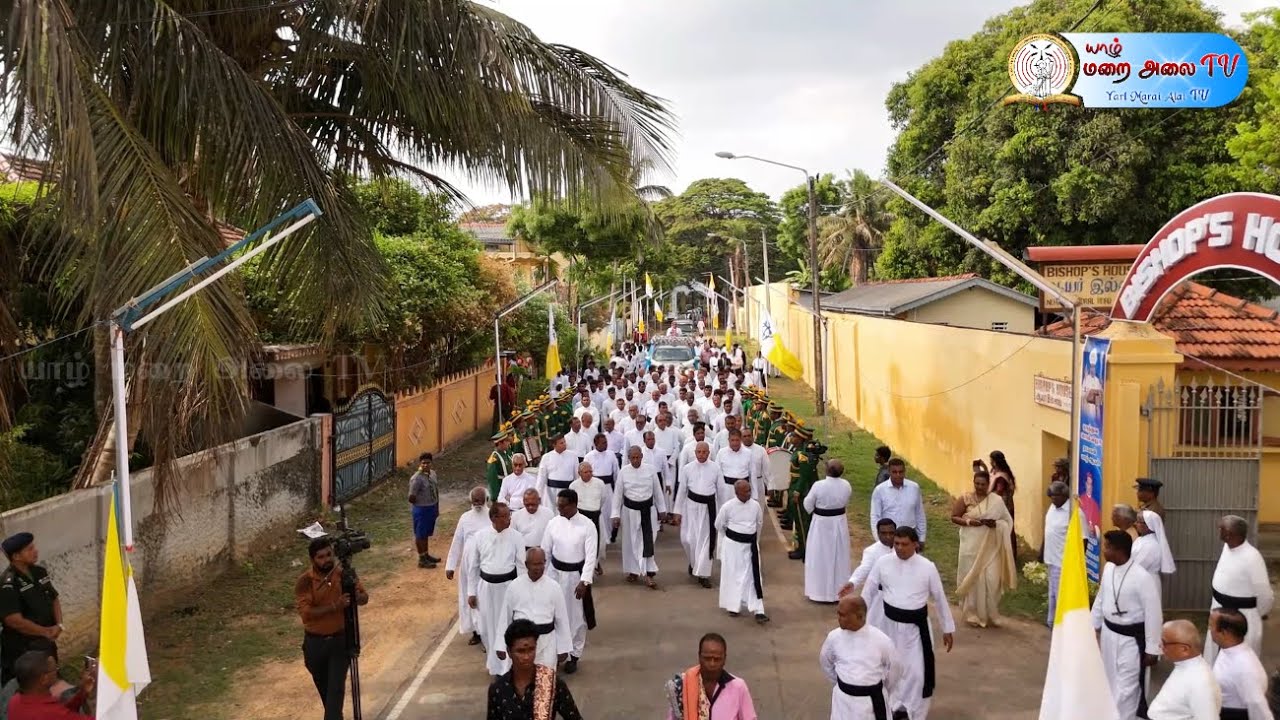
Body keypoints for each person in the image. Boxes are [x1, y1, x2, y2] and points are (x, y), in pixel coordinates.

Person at [861, 527, 953, 720]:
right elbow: (868, 590)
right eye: (896, 544)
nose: (900, 548)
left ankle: (914, 713)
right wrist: (861, 619)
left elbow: (939, 598)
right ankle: (893, 707)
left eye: (904, 544)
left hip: (915, 630)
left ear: (915, 545)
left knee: (917, 674)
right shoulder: (883, 563)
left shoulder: (927, 567)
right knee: (888, 670)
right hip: (888, 626)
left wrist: (947, 628)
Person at [1091, 530, 1163, 720]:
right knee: (1109, 679)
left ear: (1119, 550)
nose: (1103, 551)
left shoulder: (1142, 577)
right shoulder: (1108, 570)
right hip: (1109, 634)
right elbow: (1101, 599)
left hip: (1131, 640)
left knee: (1127, 686)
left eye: (1107, 547)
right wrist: (1093, 625)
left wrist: (1152, 648)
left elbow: (1153, 614)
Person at [294, 536, 369, 720]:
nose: (327, 559)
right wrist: (336, 606)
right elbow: (306, 613)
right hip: (315, 646)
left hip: (339, 643)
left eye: (329, 555)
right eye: (321, 557)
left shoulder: (343, 574)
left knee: (335, 692)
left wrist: (357, 597)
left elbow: (364, 597)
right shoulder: (305, 581)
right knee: (328, 697)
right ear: (313, 560)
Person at [541, 489, 598, 675]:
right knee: (553, 616)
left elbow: (590, 557)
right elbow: (546, 551)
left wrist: (585, 581)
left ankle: (574, 655)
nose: (559, 509)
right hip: (555, 574)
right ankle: (554, 654)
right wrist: (542, 577)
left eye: (563, 506)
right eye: (558, 505)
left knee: (576, 618)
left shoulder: (587, 526)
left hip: (575, 577)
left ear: (574, 504)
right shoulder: (553, 524)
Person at [950, 470, 1016, 628]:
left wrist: (997, 525)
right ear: (973, 482)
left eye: (983, 484)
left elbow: (1007, 521)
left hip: (991, 547)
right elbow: (954, 517)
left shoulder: (996, 501)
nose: (979, 487)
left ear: (988, 485)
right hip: (971, 546)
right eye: (977, 483)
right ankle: (972, 614)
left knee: (992, 580)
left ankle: (990, 614)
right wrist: (970, 523)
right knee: (972, 578)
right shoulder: (965, 498)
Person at [1205, 515, 1273, 665]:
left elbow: (1265, 596)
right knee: (1215, 659)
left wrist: (1252, 613)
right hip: (1218, 609)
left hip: (1242, 616)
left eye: (1221, 528)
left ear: (1230, 534)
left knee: (1239, 663)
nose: (1218, 531)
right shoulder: (1227, 548)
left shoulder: (1252, 557)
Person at [468, 503, 528, 676]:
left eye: (509, 515)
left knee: (507, 626)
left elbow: (521, 566)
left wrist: (522, 590)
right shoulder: (480, 537)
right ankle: (494, 665)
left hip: (507, 588)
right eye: (505, 516)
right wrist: (471, 592)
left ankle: (508, 667)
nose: (509, 519)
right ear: (493, 518)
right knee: (487, 627)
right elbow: (474, 566)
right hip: (486, 588)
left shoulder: (516, 537)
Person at [486, 619, 584, 720]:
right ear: (509, 652)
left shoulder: (551, 683)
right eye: (520, 651)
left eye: (531, 649)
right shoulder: (498, 689)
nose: (526, 657)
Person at [819, 595, 897, 720]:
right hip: (843, 701)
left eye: (843, 615)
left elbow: (895, 670)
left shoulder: (881, 641)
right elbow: (825, 662)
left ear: (860, 616)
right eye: (838, 614)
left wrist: (879, 688)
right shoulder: (834, 638)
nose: (838, 618)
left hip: (871, 703)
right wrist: (842, 683)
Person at [495, 549, 572, 672]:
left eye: (541, 564)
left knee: (545, 683)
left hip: (547, 643)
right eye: (534, 564)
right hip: (521, 644)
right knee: (522, 683)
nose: (538, 568)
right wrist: (500, 645)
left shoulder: (554, 587)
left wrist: (564, 647)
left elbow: (562, 619)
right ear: (526, 565)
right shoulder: (514, 586)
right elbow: (505, 617)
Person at [0, 534, 61, 686]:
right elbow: (14, 621)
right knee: (29, 688)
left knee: (51, 682)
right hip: (23, 650)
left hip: (45, 643)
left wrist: (59, 625)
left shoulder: (39, 572)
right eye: (29, 549)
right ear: (16, 556)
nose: (35, 551)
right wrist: (45, 631)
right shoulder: (8, 583)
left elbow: (54, 598)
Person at [664, 633, 758, 720]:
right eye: (707, 658)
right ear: (699, 657)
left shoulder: (738, 687)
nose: (712, 664)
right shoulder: (684, 685)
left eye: (717, 659)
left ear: (724, 659)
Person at [611, 446, 668, 588]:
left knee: (648, 541)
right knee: (630, 542)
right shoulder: (623, 472)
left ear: (642, 456)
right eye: (633, 458)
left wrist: (662, 509)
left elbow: (657, 490)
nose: (636, 460)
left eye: (638, 457)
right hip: (629, 511)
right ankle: (633, 571)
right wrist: (615, 515)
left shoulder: (650, 470)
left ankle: (649, 573)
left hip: (648, 510)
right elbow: (618, 494)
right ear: (629, 458)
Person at [1147, 619, 1222, 720]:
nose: (1160, 646)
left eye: (1164, 642)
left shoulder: (1199, 681)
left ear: (1184, 649)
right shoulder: (1187, 666)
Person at [673, 441, 724, 589]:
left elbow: (721, 491)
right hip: (691, 508)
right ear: (695, 453)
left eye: (704, 452)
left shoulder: (715, 468)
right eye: (699, 452)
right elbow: (682, 490)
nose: (702, 455)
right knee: (688, 540)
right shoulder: (687, 469)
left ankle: (704, 574)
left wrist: (722, 512)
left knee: (705, 542)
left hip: (709, 509)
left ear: (709, 453)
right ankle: (693, 562)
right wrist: (677, 512)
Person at [716, 480, 768, 623]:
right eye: (745, 491)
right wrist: (733, 537)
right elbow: (719, 525)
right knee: (733, 576)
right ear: (737, 492)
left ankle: (759, 610)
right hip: (733, 547)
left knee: (754, 576)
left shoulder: (756, 506)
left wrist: (753, 540)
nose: (749, 493)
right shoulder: (728, 507)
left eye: (749, 490)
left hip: (750, 545)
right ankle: (734, 605)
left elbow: (759, 523)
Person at [804, 459, 853, 603]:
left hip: (821, 525)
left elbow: (808, 503)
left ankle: (819, 592)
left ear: (827, 470)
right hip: (839, 523)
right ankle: (837, 591)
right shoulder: (846, 485)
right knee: (839, 556)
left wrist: (813, 510)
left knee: (819, 556)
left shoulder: (818, 486)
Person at [446, 487, 491, 646]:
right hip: (467, 564)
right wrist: (450, 565)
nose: (477, 504)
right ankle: (475, 631)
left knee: (485, 598)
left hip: (487, 563)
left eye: (480, 500)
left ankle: (486, 631)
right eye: (475, 501)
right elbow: (457, 541)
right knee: (469, 597)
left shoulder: (492, 516)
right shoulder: (465, 518)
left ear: (486, 500)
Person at [1210, 608, 1272, 720]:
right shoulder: (1229, 648)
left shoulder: (1245, 668)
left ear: (1224, 633)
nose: (1210, 630)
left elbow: (1258, 707)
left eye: (1211, 626)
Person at [6, 650, 93, 720]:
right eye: (55, 669)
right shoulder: (48, 713)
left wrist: (82, 693)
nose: (57, 672)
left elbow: (63, 712)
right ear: (44, 679)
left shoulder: (14, 701)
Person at [868, 459, 927, 552]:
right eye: (894, 472)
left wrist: (922, 538)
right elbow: (875, 516)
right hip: (889, 538)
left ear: (905, 471)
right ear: (889, 472)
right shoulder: (880, 490)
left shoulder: (914, 488)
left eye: (901, 472)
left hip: (910, 536)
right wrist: (879, 540)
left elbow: (919, 514)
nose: (898, 475)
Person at [569, 460, 612, 574]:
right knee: (580, 544)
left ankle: (595, 564)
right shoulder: (573, 486)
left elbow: (603, 499)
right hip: (580, 517)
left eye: (590, 471)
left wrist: (595, 510)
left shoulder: (599, 483)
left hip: (595, 516)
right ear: (579, 473)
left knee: (595, 543)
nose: (588, 474)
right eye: (585, 472)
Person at [1041, 481, 1073, 628]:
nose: (1053, 499)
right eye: (1051, 496)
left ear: (1064, 495)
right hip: (1051, 558)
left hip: (1063, 561)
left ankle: (1061, 624)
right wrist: (1041, 551)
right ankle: (1051, 621)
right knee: (1052, 594)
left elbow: (1082, 540)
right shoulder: (1053, 508)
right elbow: (1049, 530)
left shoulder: (1073, 512)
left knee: (1061, 595)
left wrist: (1073, 562)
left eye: (1055, 496)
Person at [408, 453, 441, 568]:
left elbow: (436, 491)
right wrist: (420, 504)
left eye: (428, 462)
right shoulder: (416, 478)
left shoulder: (433, 474)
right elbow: (411, 497)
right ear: (420, 464)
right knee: (420, 534)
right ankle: (421, 559)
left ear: (431, 463)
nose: (426, 465)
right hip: (421, 509)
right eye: (423, 463)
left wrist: (436, 508)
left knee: (426, 533)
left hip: (431, 507)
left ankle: (426, 555)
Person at [1132, 510, 1176, 583]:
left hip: (1146, 582)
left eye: (1138, 521)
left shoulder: (1151, 544)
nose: (1135, 524)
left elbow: (1137, 566)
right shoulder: (1141, 539)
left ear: (1149, 525)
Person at [487, 432, 514, 501]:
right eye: (506, 441)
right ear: (499, 443)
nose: (509, 443)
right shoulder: (494, 459)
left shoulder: (506, 454)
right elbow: (492, 479)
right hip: (501, 489)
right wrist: (495, 496)